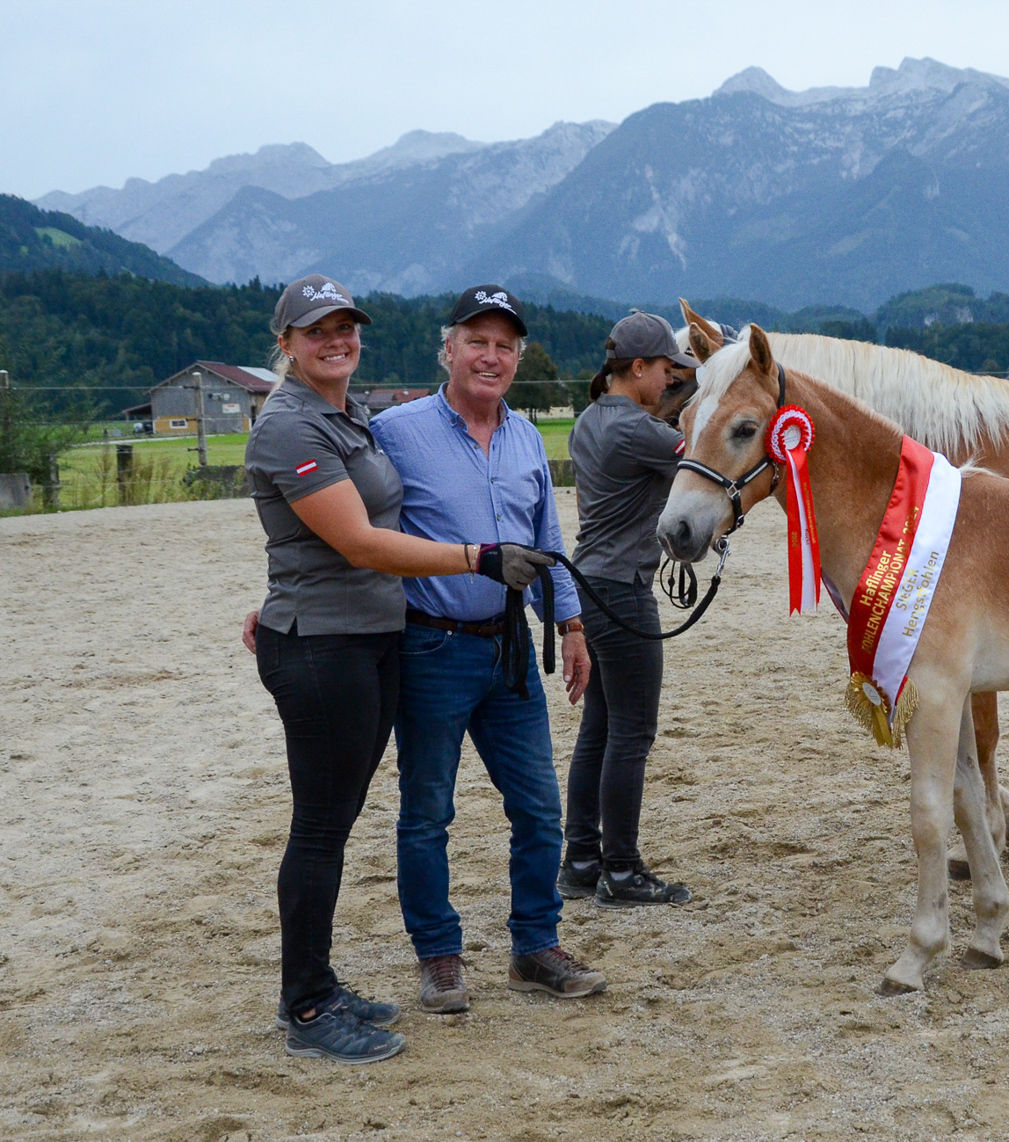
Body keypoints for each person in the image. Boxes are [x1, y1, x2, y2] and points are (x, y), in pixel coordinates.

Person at [245, 274, 551, 1065]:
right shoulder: (293, 425)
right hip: (328, 647)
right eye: (316, 331)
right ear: (285, 344)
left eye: (345, 327)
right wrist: (477, 557)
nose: (335, 340)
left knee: (333, 825)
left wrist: (276, 593)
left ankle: (318, 984)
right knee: (320, 829)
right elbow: (357, 542)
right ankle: (308, 1008)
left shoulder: (344, 416)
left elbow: (317, 537)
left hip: (366, 638)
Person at [368, 285, 606, 1015]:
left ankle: (535, 945)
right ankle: (438, 957)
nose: (491, 356)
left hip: (508, 651)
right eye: (477, 341)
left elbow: (548, 543)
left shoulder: (528, 438)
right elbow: (360, 532)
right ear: (448, 349)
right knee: (427, 812)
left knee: (538, 809)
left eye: (505, 345)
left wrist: (571, 626)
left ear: (518, 358)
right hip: (430, 650)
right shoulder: (395, 431)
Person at [558, 311, 699, 907]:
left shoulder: (591, 419)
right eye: (665, 370)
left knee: (600, 728)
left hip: (590, 581)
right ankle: (622, 867)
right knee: (632, 733)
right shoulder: (638, 430)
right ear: (637, 368)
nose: (670, 381)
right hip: (622, 591)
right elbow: (704, 451)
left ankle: (582, 857)